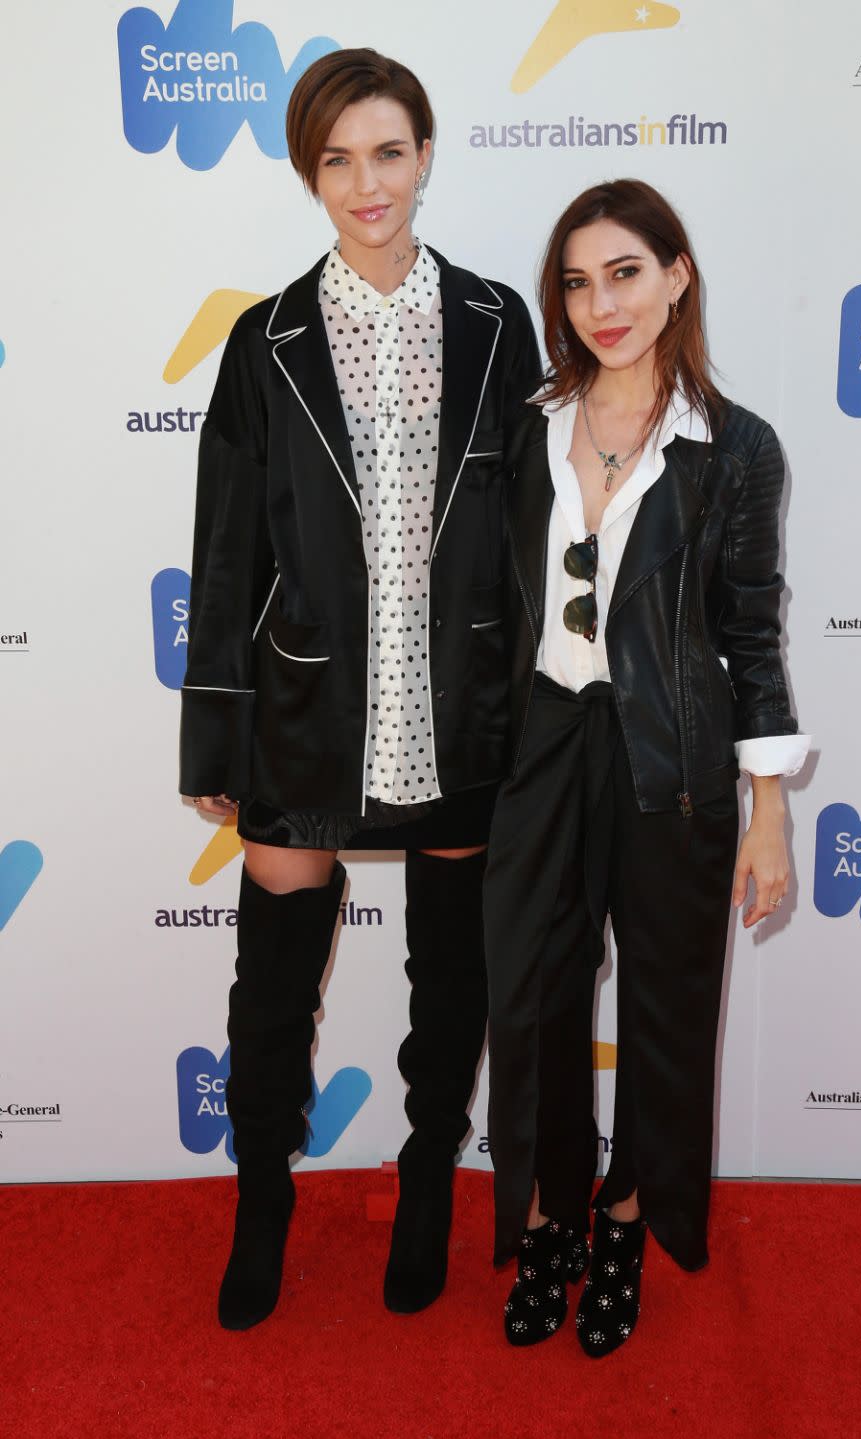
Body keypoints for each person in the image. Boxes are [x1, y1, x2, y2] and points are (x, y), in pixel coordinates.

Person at [179, 47, 540, 1331]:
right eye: (338, 159)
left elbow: (532, 529)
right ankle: (263, 1188)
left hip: (461, 706)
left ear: (427, 156)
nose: (367, 182)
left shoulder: (498, 322)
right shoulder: (265, 339)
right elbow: (228, 550)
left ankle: (432, 1164)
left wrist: (539, 712)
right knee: (274, 977)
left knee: (453, 971)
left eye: (388, 151)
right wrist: (213, 725)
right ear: (308, 175)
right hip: (307, 715)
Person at [484, 180, 810, 1357]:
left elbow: (752, 636)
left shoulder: (736, 449)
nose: (599, 303)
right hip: (539, 746)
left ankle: (623, 1218)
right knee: (529, 1002)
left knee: (668, 1007)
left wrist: (767, 810)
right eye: (575, 281)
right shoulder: (522, 425)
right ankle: (544, 1214)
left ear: (677, 274)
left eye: (624, 272)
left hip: (672, 755)